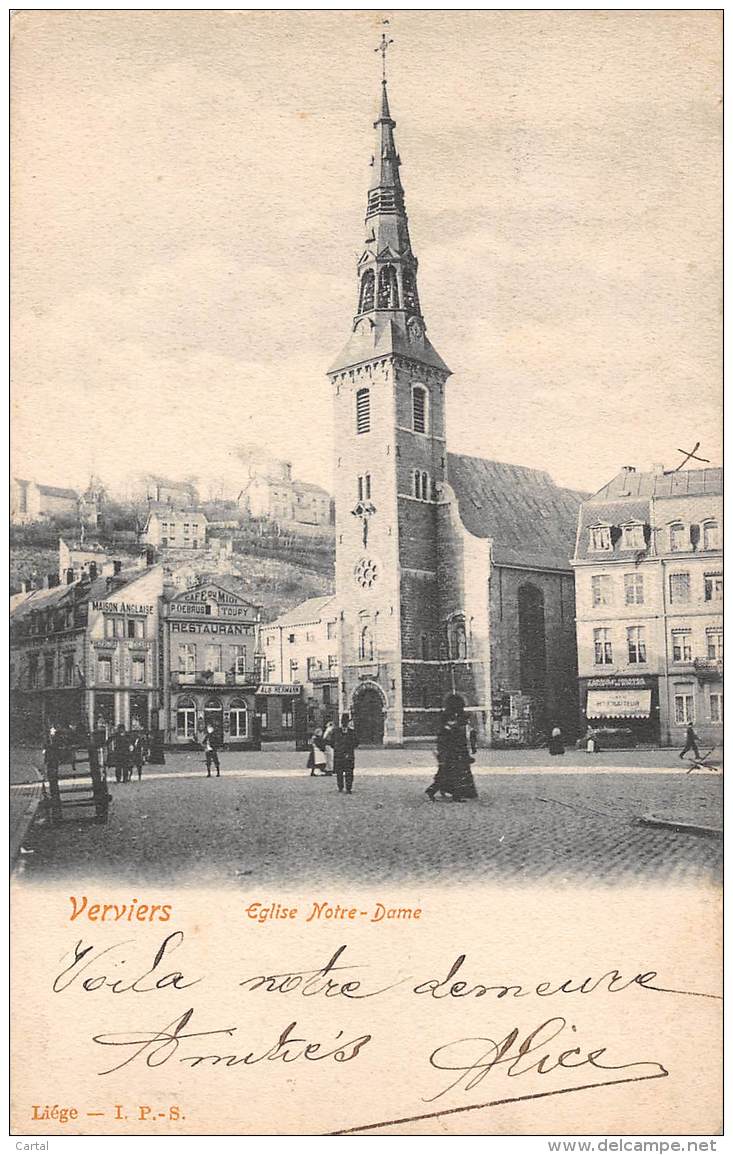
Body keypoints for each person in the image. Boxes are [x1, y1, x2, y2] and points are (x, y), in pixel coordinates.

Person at [426, 695, 478, 802]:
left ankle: (439, 791)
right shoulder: (450, 724)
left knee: (451, 774)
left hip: (455, 752)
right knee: (455, 774)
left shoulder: (453, 720)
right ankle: (454, 795)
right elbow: (447, 738)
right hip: (452, 753)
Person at [332, 712, 358, 794]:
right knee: (339, 772)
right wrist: (337, 749)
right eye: (343, 722)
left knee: (349, 772)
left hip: (349, 755)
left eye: (346, 722)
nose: (344, 723)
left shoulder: (352, 732)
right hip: (339, 755)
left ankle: (348, 788)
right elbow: (332, 742)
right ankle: (340, 787)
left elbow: (356, 742)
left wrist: (349, 750)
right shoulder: (336, 731)